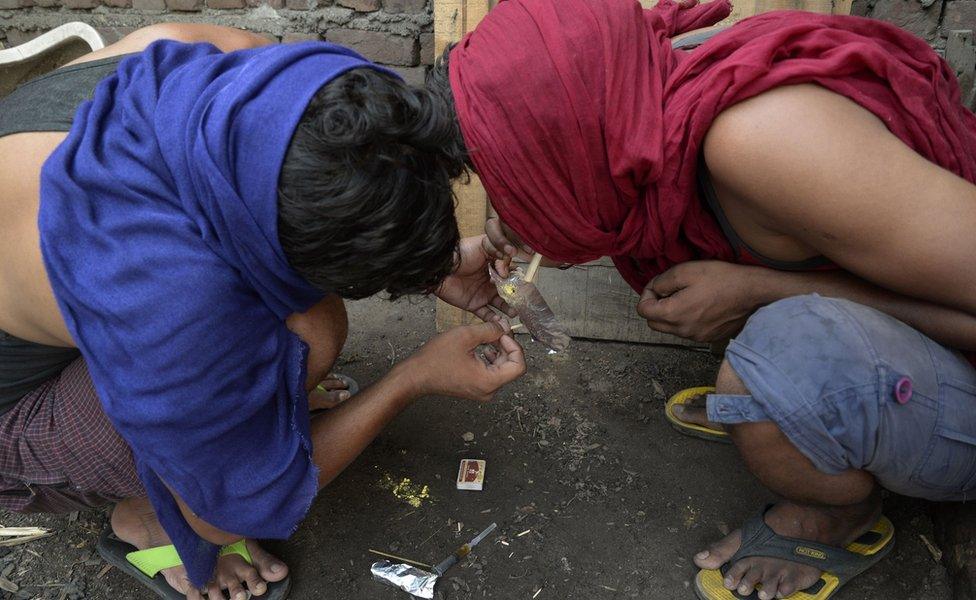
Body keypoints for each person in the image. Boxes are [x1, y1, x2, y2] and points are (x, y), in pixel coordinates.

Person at [430, 0, 976, 597]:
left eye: (517, 176)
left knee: (769, 362)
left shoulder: (764, 141)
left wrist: (761, 289)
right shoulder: (644, 107)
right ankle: (822, 414)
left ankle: (836, 513)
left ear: (567, 142)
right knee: (772, 355)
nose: (513, 201)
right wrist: (503, 234)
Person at [0, 23, 526, 600]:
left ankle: (227, 420)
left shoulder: (259, 77)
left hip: (76, 296)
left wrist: (434, 261)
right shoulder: (171, 310)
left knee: (302, 328)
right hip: (14, 419)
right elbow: (221, 517)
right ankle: (144, 517)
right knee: (313, 333)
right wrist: (414, 377)